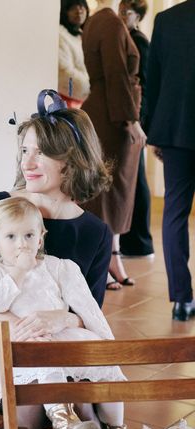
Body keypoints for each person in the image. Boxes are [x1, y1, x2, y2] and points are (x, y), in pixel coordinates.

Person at [0, 90, 116, 429]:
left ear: (71, 161)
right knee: (27, 402)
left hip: (63, 341)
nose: (27, 162)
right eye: (24, 150)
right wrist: (14, 324)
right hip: (1, 339)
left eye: (40, 153)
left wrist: (59, 318)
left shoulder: (95, 232)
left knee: (82, 403)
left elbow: (89, 310)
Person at [0, 196, 140, 429]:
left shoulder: (59, 266)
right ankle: (62, 418)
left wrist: (90, 337)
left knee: (104, 373)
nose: (21, 244)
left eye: (28, 235)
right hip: (11, 348)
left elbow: (91, 313)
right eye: (11, 236)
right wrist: (18, 272)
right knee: (37, 369)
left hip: (61, 340)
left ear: (40, 238)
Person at [81, 0, 147, 290]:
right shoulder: (108, 22)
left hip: (106, 113)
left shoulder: (97, 20)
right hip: (112, 118)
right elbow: (116, 74)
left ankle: (111, 255)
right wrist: (132, 121)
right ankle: (103, 261)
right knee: (108, 191)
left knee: (111, 191)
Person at [145, 0, 195, 321]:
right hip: (175, 130)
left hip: (175, 130)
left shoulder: (166, 19)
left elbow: (153, 80)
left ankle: (182, 299)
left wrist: (153, 131)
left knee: (175, 210)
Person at [118, 0, 155, 257]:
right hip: (133, 117)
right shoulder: (126, 36)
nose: (123, 14)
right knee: (132, 178)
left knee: (135, 179)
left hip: (135, 119)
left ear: (137, 16)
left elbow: (143, 85)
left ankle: (139, 242)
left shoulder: (137, 40)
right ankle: (136, 241)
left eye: (128, 11)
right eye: (121, 8)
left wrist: (138, 120)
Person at [58, 0, 91, 108]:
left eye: (82, 6)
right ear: (64, 12)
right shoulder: (60, 35)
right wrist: (91, 87)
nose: (79, 11)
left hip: (81, 100)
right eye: (73, 8)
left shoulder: (82, 35)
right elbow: (65, 73)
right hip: (66, 101)